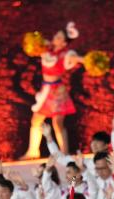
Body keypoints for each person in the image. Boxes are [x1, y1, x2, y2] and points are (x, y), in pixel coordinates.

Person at [23, 23, 83, 159]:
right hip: (45, 90)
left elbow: (77, 59)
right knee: (36, 120)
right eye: (56, 35)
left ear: (64, 43)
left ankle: (64, 153)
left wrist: (88, 60)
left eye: (59, 37)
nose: (55, 37)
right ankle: (33, 151)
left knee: (57, 123)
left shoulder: (66, 54)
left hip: (57, 92)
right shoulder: (46, 49)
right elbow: (35, 43)